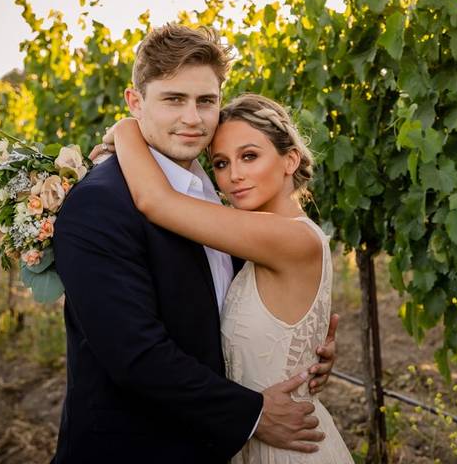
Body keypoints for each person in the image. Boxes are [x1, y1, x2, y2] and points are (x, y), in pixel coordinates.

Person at [52, 24, 336, 464]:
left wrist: (301, 353)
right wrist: (254, 415)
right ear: (135, 102)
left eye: (206, 101)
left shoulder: (226, 202)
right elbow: (136, 355)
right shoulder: (98, 204)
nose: (193, 117)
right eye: (173, 99)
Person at [106, 93, 355, 464]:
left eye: (249, 156)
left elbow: (156, 202)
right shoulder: (257, 240)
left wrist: (128, 126)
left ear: (291, 159)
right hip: (256, 436)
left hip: (289, 448)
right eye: (220, 163)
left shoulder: (289, 237)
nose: (233, 175)